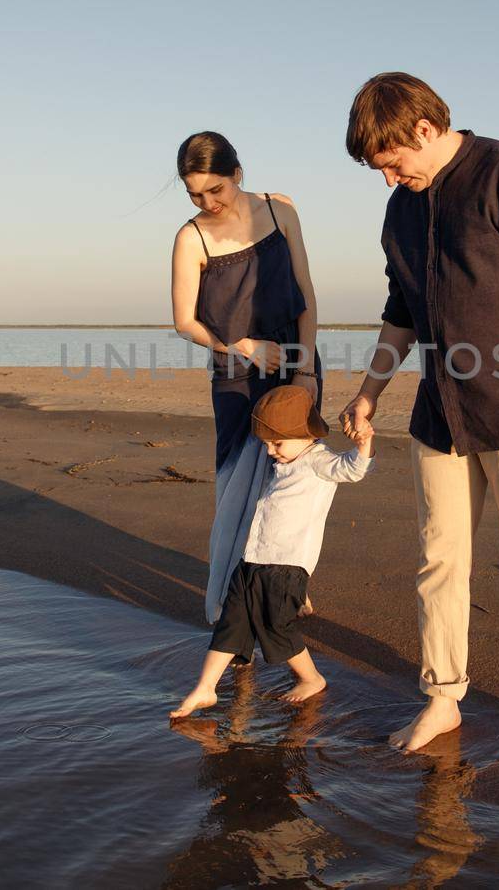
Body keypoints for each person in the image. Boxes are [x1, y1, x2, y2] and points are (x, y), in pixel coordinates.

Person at [338, 72, 499, 771]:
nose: (389, 179)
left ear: (423, 129)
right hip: (438, 414)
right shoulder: (401, 211)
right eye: (378, 170)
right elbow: (401, 312)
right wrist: (369, 392)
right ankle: (443, 695)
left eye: (392, 162)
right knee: (438, 560)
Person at [169, 132, 323, 627]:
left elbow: (306, 292)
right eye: (195, 194)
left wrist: (303, 371)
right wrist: (242, 346)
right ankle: (235, 590)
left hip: (296, 357)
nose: (207, 202)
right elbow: (184, 322)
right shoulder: (190, 237)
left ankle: (290, 584)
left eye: (216, 189)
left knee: (297, 479)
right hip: (235, 368)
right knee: (237, 481)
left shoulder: (281, 212)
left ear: (238, 173)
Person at [171, 385, 374, 718]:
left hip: (286, 564)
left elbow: (352, 469)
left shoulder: (317, 460)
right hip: (252, 558)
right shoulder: (284, 456)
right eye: (266, 443)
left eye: (276, 443)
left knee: (276, 624)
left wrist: (363, 443)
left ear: (304, 435)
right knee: (231, 622)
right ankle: (204, 688)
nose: (270, 451)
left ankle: (311, 679)